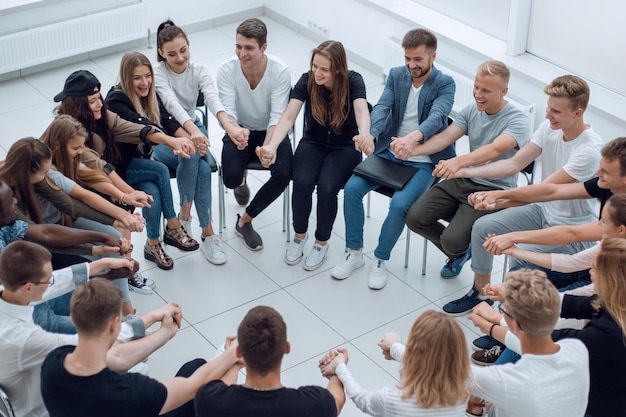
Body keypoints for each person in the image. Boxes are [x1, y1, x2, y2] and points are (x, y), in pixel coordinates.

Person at [442, 75, 602, 315]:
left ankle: (508, 319)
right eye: (548, 107)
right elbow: (514, 164)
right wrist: (466, 171)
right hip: (544, 211)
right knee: (483, 227)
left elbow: (545, 191)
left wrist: (497, 196)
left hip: (573, 229)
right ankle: (482, 294)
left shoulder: (589, 150)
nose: (548, 115)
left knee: (519, 265)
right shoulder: (550, 127)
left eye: (556, 111)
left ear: (577, 113)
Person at [331, 28, 455, 289]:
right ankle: (354, 252)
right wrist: (372, 136)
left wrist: (412, 139)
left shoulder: (446, 83)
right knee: (352, 190)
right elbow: (384, 106)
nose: (412, 65)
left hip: (423, 159)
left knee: (399, 206)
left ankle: (380, 259)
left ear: (433, 55)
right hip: (389, 151)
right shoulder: (398, 75)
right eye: (408, 58)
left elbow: (438, 117)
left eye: (418, 59)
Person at [403, 60, 531, 295]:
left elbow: (495, 149)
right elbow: (445, 138)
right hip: (462, 179)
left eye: (485, 91)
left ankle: (458, 250)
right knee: (413, 217)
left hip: (492, 189)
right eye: (476, 87)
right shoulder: (472, 110)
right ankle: (462, 252)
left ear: (504, 91)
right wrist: (411, 149)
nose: (477, 95)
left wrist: (458, 162)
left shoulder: (518, 120)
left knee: (452, 241)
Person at [54, 69, 199, 270]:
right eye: (93, 100)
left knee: (152, 188)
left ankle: (149, 247)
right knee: (122, 221)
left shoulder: (102, 116)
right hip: (85, 189)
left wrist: (172, 141)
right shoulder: (71, 131)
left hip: (109, 175)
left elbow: (132, 128)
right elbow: (99, 168)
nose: (99, 104)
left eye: (99, 98)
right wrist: (126, 194)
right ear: (78, 105)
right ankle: (126, 265)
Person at [40, 278, 240, 417]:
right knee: (205, 389)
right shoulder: (129, 391)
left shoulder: (54, 360)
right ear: (114, 324)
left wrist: (164, 333)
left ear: (73, 317)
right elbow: (195, 385)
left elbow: (116, 357)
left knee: (195, 365)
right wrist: (233, 355)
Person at [0, 138, 142, 322]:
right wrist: (103, 267)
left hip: (29, 257)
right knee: (81, 285)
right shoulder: (8, 211)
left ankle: (123, 313)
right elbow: (44, 236)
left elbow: (68, 206)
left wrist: (111, 229)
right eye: (43, 172)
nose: (15, 202)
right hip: (15, 295)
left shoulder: (13, 218)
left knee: (93, 266)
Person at [0, 240, 146, 417]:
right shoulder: (24, 338)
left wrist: (104, 264)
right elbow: (90, 340)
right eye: (47, 281)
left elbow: (58, 281)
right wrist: (146, 323)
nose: (50, 284)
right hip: (44, 407)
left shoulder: (8, 292)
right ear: (28, 288)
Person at [259, 40, 371, 271]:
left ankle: (321, 242)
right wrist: (271, 145)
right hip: (314, 141)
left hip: (344, 145)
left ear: (338, 69)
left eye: (324, 69)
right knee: (301, 182)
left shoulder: (353, 80)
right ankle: (300, 236)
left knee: (327, 187)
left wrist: (366, 134)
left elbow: (361, 109)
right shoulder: (307, 80)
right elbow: (289, 116)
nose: (317, 73)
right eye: (314, 66)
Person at [106, 51, 226, 265]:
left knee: (153, 192)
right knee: (160, 171)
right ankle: (176, 224)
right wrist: (173, 142)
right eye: (137, 78)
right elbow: (142, 125)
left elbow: (167, 121)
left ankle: (153, 244)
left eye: (147, 76)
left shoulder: (149, 96)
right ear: (126, 78)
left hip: (137, 162)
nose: (145, 82)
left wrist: (187, 140)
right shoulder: (116, 99)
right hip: (116, 169)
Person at [40, 115, 157, 294]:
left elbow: (92, 176)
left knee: (115, 240)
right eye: (76, 148)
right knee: (102, 252)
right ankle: (116, 300)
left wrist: (125, 196)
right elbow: (83, 196)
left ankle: (123, 301)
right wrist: (122, 216)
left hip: (65, 219)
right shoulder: (48, 170)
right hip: (48, 228)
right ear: (57, 144)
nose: (80, 152)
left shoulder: (65, 158)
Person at [467, 269, 589, 417]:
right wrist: (490, 327)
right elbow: (534, 345)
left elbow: (450, 374)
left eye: (503, 310)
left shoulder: (504, 380)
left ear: (516, 324)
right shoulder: (578, 349)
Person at [216, 17, 292, 251]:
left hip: (272, 131)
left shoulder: (280, 71)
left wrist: (268, 147)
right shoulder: (226, 70)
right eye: (238, 46)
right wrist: (237, 132)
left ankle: (245, 220)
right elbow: (227, 112)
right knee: (229, 178)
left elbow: (277, 117)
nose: (242, 53)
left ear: (263, 47)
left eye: (249, 48)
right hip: (239, 128)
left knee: (284, 174)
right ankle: (240, 182)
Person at [194, 305, 345, 416]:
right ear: (286, 348)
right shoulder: (316, 403)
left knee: (193, 366)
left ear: (239, 352)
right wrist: (336, 371)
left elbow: (221, 390)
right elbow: (337, 398)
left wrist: (233, 365)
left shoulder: (208, 398)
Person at [319, 310, 469, 416]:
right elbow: (435, 364)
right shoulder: (463, 391)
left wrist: (340, 367)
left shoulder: (392, 401)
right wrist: (395, 348)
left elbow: (361, 398)